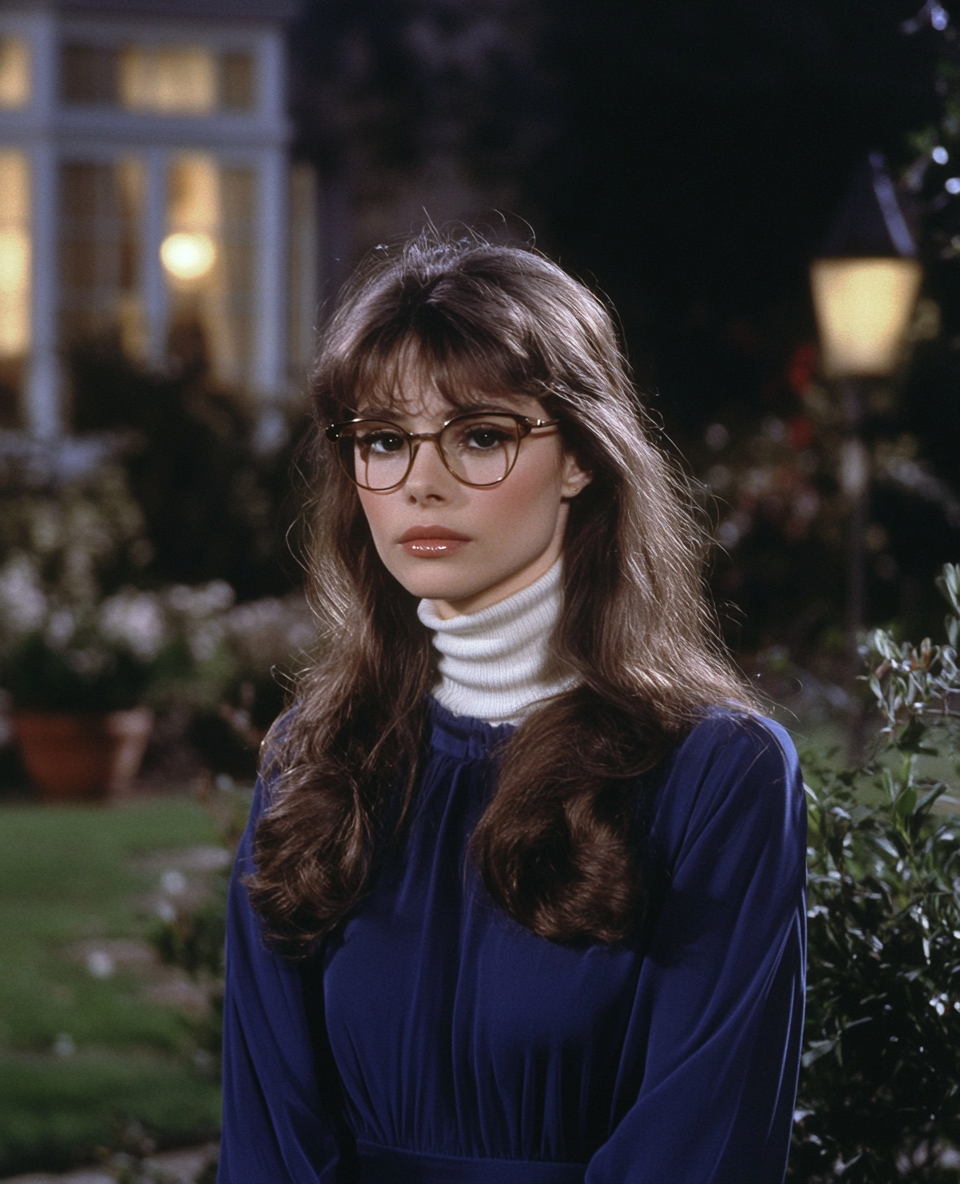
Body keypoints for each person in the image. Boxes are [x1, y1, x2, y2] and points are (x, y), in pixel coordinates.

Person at [218, 235, 806, 1184]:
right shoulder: (311, 762)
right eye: (383, 440)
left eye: (481, 435)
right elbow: (268, 1146)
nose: (422, 480)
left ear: (580, 456)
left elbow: (700, 1149)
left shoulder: (718, 776)